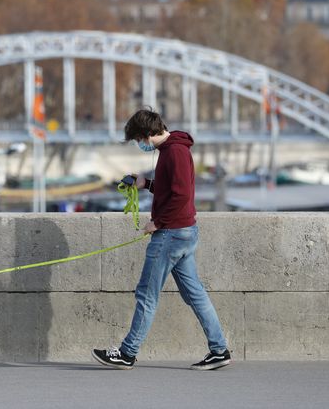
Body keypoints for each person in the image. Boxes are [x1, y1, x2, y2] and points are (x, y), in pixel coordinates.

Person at [91, 108, 231, 371]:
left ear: (146, 135)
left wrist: (157, 223)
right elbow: (171, 189)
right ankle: (219, 349)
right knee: (195, 294)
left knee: (146, 294)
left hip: (170, 235)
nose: (139, 145)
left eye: (137, 140)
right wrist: (145, 184)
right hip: (184, 232)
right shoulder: (174, 149)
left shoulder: (174, 153)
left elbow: (180, 196)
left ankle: (127, 353)